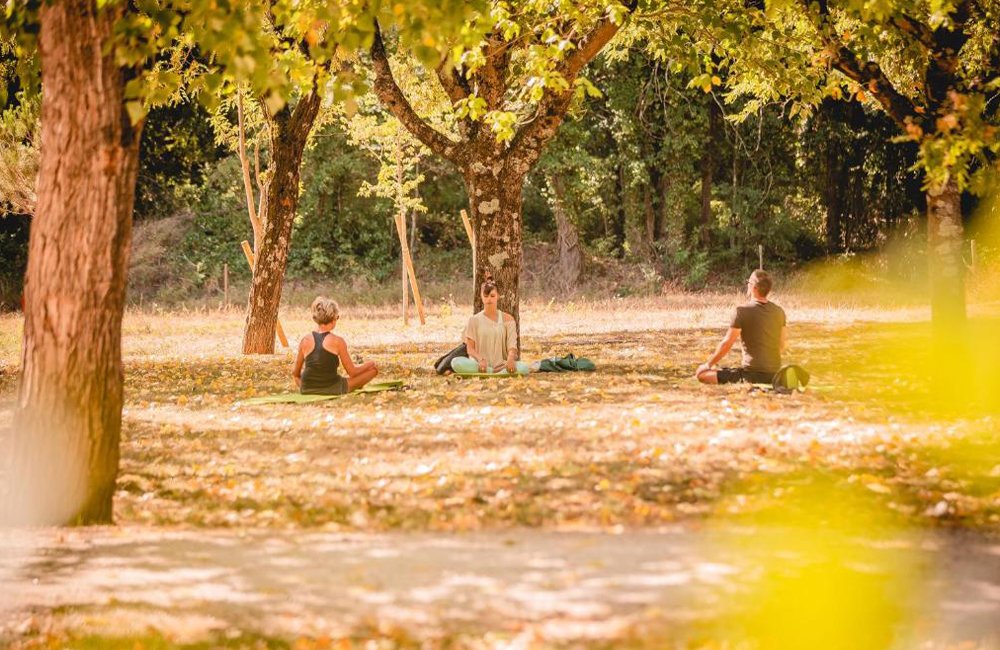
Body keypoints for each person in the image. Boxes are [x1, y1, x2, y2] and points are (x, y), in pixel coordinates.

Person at [696, 270, 787, 385]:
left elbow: (727, 344)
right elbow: (782, 345)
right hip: (775, 375)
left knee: (702, 376)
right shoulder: (779, 312)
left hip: (751, 375)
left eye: (748, 283)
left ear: (753, 287)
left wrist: (707, 365)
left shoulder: (741, 311)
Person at [292, 296, 378, 394]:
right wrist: (370, 363)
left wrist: (305, 386)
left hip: (307, 388)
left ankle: (313, 389)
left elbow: (295, 374)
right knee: (373, 370)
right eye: (337, 317)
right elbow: (353, 372)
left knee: (343, 379)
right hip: (333, 388)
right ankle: (357, 383)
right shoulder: (338, 341)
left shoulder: (305, 340)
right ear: (333, 319)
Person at [450, 277, 530, 375]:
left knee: (524, 368)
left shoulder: (508, 319)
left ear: (498, 296)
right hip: (480, 365)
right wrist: (481, 360)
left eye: (492, 296)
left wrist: (510, 359)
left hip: (502, 365)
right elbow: (470, 349)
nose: (489, 299)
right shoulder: (473, 320)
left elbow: (512, 345)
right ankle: (491, 372)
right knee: (456, 362)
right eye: (486, 296)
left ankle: (497, 371)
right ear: (481, 296)